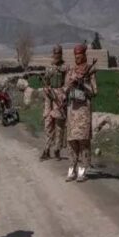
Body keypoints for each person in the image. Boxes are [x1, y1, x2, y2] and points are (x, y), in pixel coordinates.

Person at [64, 44, 97, 182]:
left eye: (80, 56)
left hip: (83, 111)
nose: (77, 58)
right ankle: (72, 168)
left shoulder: (90, 71)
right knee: (72, 141)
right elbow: (65, 89)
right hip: (72, 110)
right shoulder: (71, 71)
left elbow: (94, 91)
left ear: (84, 55)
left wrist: (83, 84)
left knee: (83, 140)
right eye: (76, 56)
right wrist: (71, 84)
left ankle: (83, 169)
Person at [40, 45, 67, 161]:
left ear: (61, 54)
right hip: (49, 97)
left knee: (59, 125)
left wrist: (63, 93)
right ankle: (46, 149)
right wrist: (46, 89)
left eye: (58, 53)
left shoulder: (65, 68)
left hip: (59, 97)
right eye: (55, 53)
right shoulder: (49, 68)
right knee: (48, 123)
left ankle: (57, 149)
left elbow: (68, 83)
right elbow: (45, 81)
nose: (56, 56)